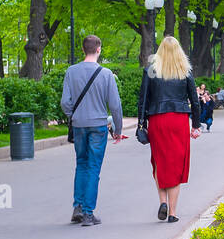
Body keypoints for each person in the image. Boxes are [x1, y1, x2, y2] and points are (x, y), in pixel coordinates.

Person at [138, 36, 202, 223]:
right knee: (176, 164)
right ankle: (173, 212)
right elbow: (195, 101)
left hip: (158, 120)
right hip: (179, 120)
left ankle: (162, 201)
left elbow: (143, 100)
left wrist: (142, 123)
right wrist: (196, 125)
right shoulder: (185, 71)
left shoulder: (151, 71)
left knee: (160, 161)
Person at [61, 34, 123, 227]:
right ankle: (88, 213)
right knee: (93, 168)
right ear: (99, 49)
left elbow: (65, 103)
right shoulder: (105, 74)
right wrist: (117, 129)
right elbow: (115, 106)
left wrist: (76, 115)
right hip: (98, 126)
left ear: (82, 49)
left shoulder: (71, 71)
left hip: (79, 125)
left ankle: (77, 207)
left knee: (81, 164)